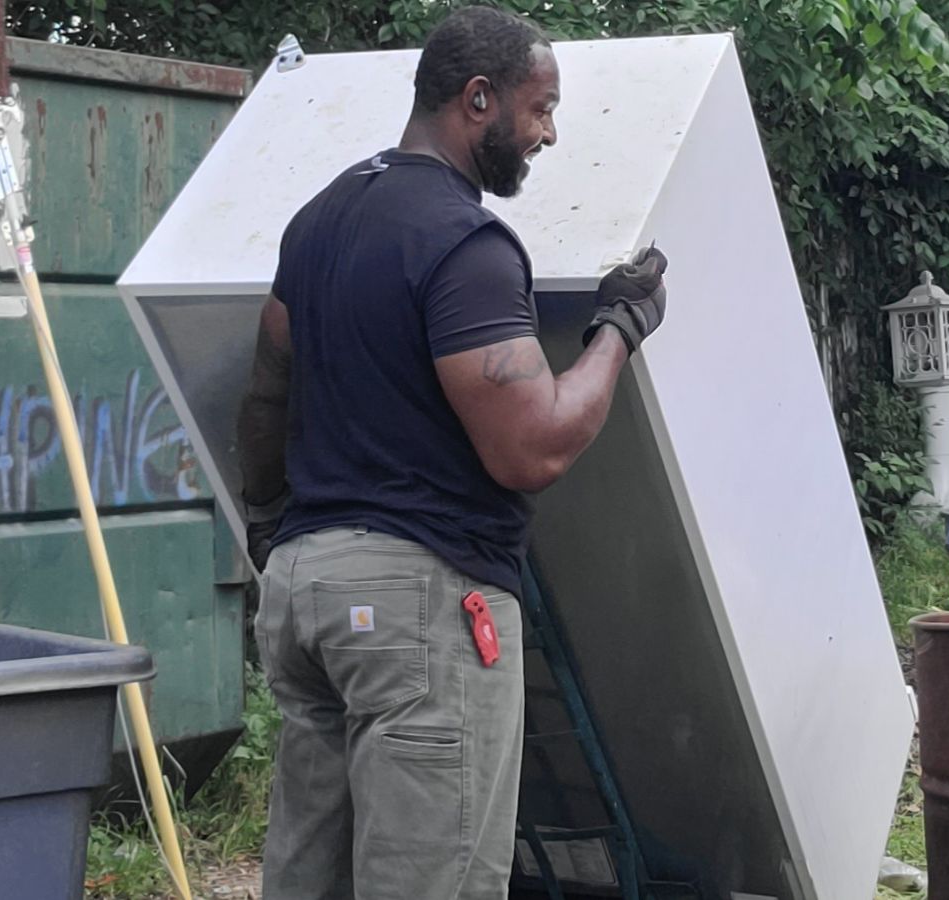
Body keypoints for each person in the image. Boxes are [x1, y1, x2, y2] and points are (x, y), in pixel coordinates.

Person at [234, 6, 669, 898]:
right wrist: (619, 328)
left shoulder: (317, 219)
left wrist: (275, 527)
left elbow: (266, 389)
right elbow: (531, 447)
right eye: (540, 108)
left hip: (306, 598)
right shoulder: (461, 241)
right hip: (417, 610)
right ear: (479, 100)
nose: (549, 132)